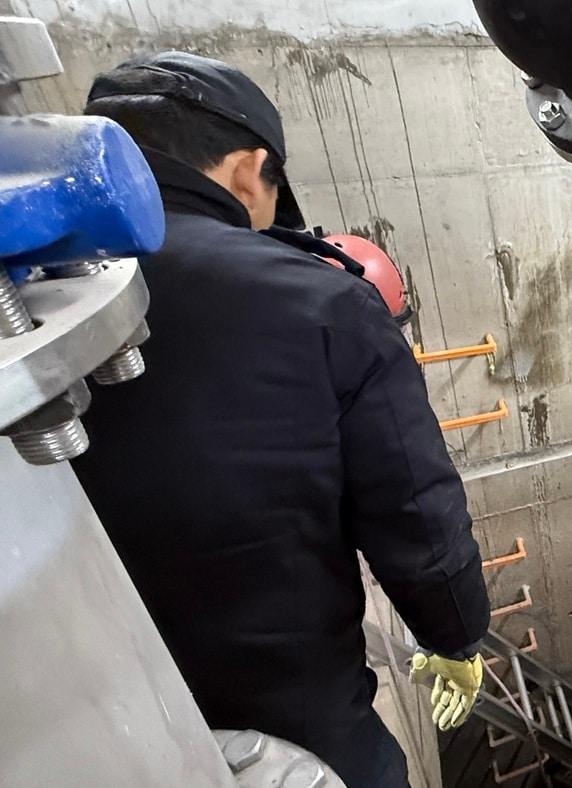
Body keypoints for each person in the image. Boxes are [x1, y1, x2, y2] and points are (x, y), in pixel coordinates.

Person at [73, 52, 489, 786]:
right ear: (247, 168)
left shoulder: (41, 289)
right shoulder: (319, 304)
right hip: (289, 703)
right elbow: (416, 512)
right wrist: (455, 636)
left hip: (91, 709)